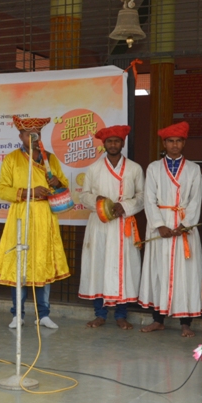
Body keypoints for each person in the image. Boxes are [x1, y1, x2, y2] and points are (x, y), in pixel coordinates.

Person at [0, 115, 70, 329]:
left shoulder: (50, 158)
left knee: (42, 262)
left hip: (45, 217)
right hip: (21, 216)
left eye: (37, 134)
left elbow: (63, 185)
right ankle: (18, 314)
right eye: (29, 134)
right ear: (21, 136)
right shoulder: (11, 159)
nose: (34, 137)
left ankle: (43, 314)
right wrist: (29, 191)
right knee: (19, 264)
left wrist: (57, 182)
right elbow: (3, 190)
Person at [138, 122, 202, 337]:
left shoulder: (194, 168)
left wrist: (186, 224)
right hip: (162, 226)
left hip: (185, 225)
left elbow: (196, 199)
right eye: (170, 141)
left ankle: (186, 322)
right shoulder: (154, 168)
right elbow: (149, 199)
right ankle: (158, 319)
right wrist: (160, 225)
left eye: (178, 141)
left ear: (183, 143)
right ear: (164, 143)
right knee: (160, 271)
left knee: (186, 273)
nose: (174, 145)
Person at [77, 125, 144, 329]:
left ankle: (121, 315)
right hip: (100, 225)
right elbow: (83, 195)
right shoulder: (94, 168)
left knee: (123, 268)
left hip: (123, 224)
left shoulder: (134, 168)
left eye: (117, 141)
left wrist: (124, 206)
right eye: (109, 141)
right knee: (99, 265)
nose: (113, 144)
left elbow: (142, 196)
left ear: (122, 144)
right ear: (104, 144)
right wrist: (96, 199)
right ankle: (100, 313)